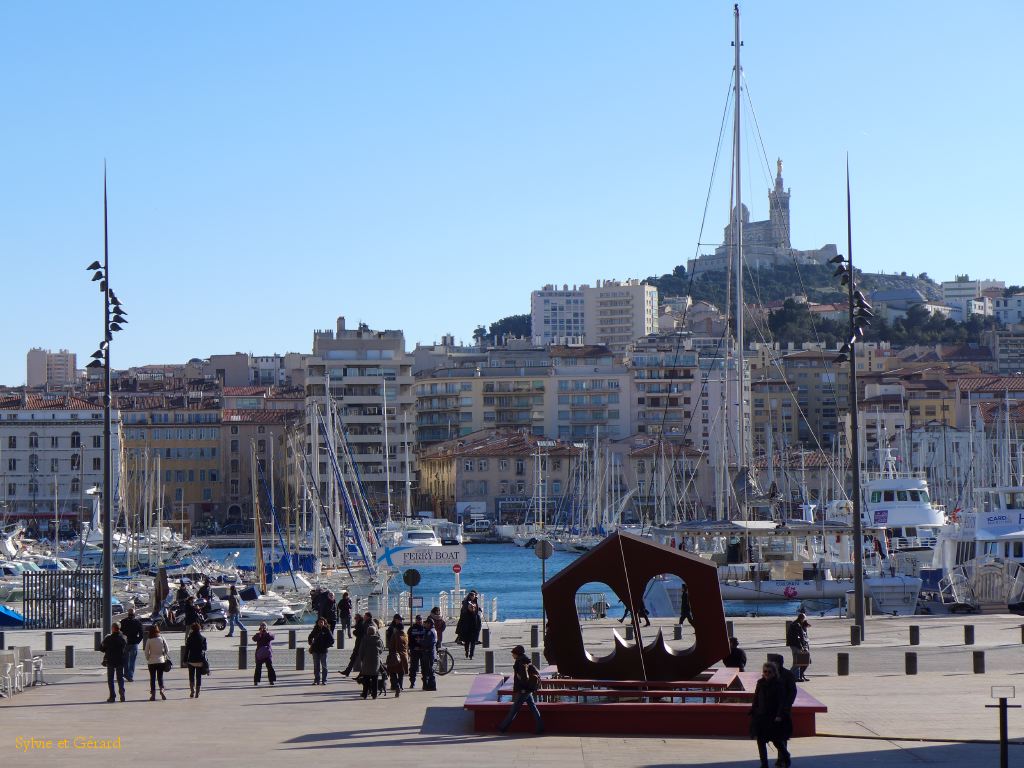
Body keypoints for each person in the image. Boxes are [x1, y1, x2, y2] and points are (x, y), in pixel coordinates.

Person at [749, 661, 792, 768]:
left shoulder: (779, 684)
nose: (767, 673)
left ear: (774, 673)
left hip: (773, 717)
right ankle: (764, 764)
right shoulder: (760, 683)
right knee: (760, 741)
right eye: (765, 671)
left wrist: (779, 715)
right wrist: (754, 710)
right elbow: (756, 697)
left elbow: (781, 702)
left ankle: (786, 755)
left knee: (776, 741)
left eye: (769, 672)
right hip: (761, 716)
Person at [497, 645, 544, 735]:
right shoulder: (526, 660)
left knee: (513, 710)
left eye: (513, 653)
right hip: (528, 690)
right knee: (533, 708)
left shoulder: (520, 662)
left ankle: (502, 727)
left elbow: (523, 678)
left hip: (523, 691)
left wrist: (522, 689)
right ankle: (540, 727)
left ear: (516, 654)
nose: (512, 655)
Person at [100, 622, 127, 703]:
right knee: (120, 678)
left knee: (110, 679)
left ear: (113, 628)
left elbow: (101, 648)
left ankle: (112, 696)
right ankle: (122, 693)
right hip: (120, 660)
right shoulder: (124, 638)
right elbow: (125, 648)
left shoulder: (108, 638)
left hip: (110, 660)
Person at [357, 624, 385, 699]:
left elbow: (361, 651)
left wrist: (362, 659)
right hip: (376, 661)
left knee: (366, 678)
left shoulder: (364, 639)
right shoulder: (378, 640)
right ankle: (374, 694)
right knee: (375, 678)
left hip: (366, 661)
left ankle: (365, 694)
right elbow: (382, 649)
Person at [143, 624, 169, 701]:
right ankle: (161, 689)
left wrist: (148, 658)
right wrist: (163, 655)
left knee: (152, 678)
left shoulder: (149, 640)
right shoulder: (162, 638)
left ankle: (153, 695)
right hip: (161, 661)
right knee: (160, 677)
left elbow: (146, 651)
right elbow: (167, 649)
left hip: (151, 661)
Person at [386, 616, 410, 697]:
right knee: (401, 673)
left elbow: (391, 646)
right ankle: (401, 686)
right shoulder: (406, 635)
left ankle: (397, 686)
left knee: (392, 673)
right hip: (404, 657)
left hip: (395, 656)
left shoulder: (395, 635)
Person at [120, 607, 144, 683]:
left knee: (125, 660)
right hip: (134, 643)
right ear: (134, 614)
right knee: (132, 661)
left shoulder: (123, 622)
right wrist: (137, 641)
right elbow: (141, 634)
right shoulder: (138, 622)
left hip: (126, 643)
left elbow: (120, 633)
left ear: (128, 614)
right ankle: (130, 675)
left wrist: (122, 641)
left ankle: (126, 674)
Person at [455, 591, 482, 659]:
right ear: (469, 596)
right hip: (467, 624)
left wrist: (477, 609)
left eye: (474, 596)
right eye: (471, 596)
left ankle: (471, 654)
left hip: (474, 623)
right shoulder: (466, 603)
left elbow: (475, 612)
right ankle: (467, 651)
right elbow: (465, 613)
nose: (473, 597)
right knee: (467, 641)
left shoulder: (475, 602)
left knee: (473, 641)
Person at [308, 617, 334, 685]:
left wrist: (326, 646)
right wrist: (311, 643)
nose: (320, 623)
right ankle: (316, 680)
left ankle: (324, 680)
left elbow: (332, 640)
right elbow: (310, 636)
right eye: (319, 622)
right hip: (315, 650)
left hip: (323, 651)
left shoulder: (327, 630)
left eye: (322, 622)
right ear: (317, 623)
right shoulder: (315, 629)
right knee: (316, 666)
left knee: (324, 666)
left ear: (324, 623)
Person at [185, 622, 208, 698]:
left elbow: (187, 650)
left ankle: (192, 690)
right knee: (198, 676)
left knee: (191, 676)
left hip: (191, 659)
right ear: (199, 629)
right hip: (200, 659)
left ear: (192, 629)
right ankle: (197, 692)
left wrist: (184, 660)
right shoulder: (203, 638)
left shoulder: (189, 638)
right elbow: (205, 649)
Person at [786, 613, 811, 682]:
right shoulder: (796, 625)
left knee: (800, 662)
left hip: (796, 645)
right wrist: (801, 647)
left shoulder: (798, 624)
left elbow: (802, 636)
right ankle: (790, 676)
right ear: (802, 618)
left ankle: (799, 676)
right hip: (796, 645)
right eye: (804, 619)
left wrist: (805, 625)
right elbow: (797, 638)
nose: (805, 620)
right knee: (798, 662)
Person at [253, 622, 277, 686]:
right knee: (258, 667)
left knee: (270, 667)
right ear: (260, 627)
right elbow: (254, 639)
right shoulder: (258, 634)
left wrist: (267, 633)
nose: (263, 628)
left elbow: (272, 637)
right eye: (262, 626)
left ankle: (271, 680)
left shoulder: (269, 634)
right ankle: (256, 681)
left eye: (264, 626)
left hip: (267, 654)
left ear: (267, 627)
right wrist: (260, 634)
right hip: (260, 654)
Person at [407, 614, 425, 689]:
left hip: (423, 650)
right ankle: (412, 682)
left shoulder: (425, 628)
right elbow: (409, 640)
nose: (419, 621)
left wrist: (423, 647)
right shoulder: (411, 629)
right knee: (413, 668)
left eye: (420, 620)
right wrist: (413, 647)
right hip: (414, 650)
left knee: (424, 668)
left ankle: (425, 682)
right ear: (416, 620)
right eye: (418, 620)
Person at [421, 616, 438, 691]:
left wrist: (420, 641)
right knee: (429, 670)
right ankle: (430, 685)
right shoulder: (432, 630)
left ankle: (432, 686)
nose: (425, 624)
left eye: (427, 623)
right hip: (430, 652)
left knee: (430, 670)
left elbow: (428, 642)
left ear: (430, 624)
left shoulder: (430, 632)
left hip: (429, 653)